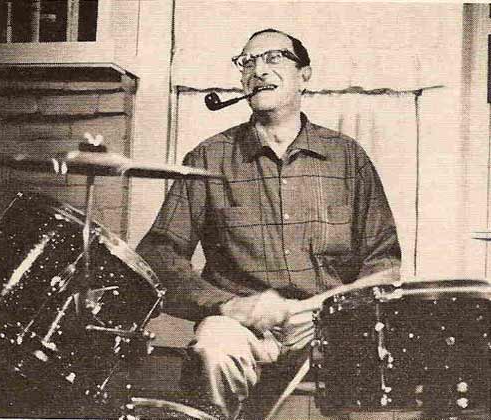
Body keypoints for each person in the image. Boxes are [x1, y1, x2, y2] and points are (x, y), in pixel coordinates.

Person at [137, 28, 401, 419]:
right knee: (213, 349)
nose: (258, 70)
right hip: (241, 326)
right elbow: (157, 255)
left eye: (274, 58)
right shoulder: (208, 158)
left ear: (304, 76)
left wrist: (324, 310)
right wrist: (229, 306)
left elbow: (385, 266)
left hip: (330, 322)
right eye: (248, 62)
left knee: (383, 373)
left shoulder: (348, 157)